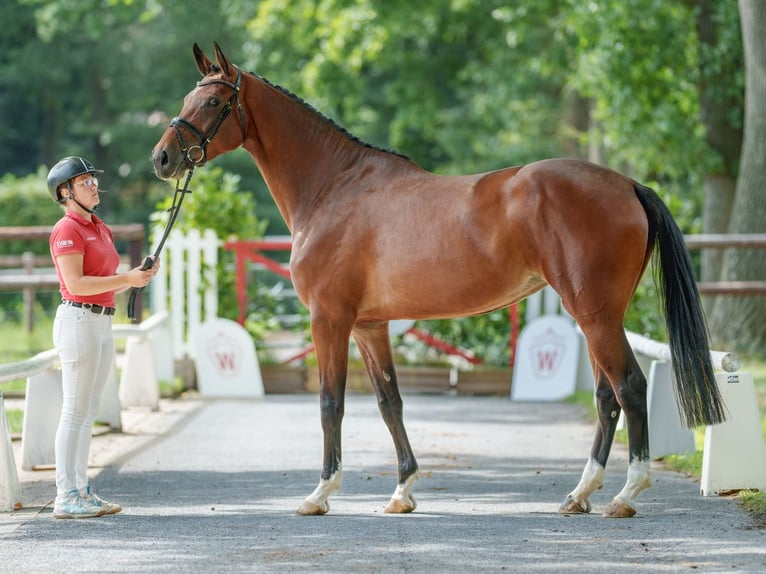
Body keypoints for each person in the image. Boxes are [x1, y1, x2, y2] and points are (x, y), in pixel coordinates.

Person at [46, 156, 159, 519]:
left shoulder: (100, 227)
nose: (94, 186)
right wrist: (126, 279)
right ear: (66, 192)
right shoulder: (67, 230)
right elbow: (77, 284)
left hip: (101, 321)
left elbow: (108, 278)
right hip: (78, 321)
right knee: (74, 410)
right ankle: (66, 494)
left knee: (87, 411)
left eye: (93, 179)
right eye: (85, 182)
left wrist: (138, 276)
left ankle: (81, 489)